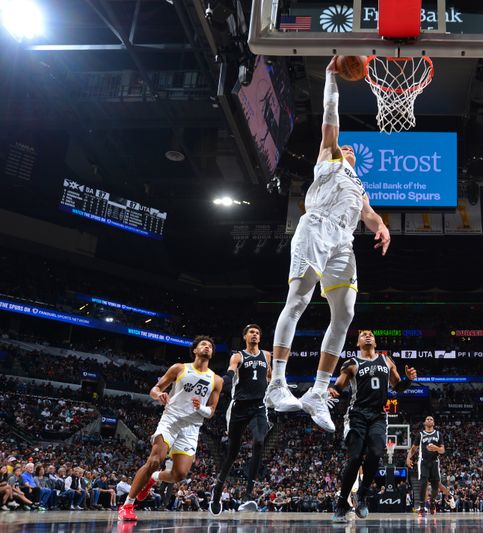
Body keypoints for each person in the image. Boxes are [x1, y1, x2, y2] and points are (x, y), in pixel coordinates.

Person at [265, 56, 392, 433]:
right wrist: (330, 78)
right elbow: (329, 117)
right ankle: (277, 384)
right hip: (316, 228)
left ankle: (319, 392)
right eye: (345, 147)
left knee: (346, 315)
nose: (349, 149)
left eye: (353, 151)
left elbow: (368, 215)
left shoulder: (359, 186)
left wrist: (382, 226)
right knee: (298, 301)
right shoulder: (329, 156)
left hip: (343, 242)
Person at [118, 336, 223, 522]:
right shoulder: (180, 368)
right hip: (171, 420)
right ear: (195, 350)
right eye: (203, 344)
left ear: (212, 353)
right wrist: (159, 395)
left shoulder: (216, 380)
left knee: (179, 474)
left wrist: (201, 408)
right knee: (155, 460)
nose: (207, 347)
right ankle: (128, 504)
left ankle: (153, 478)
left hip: (192, 427)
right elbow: (154, 389)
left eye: (210, 346)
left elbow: (212, 411)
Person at [327, 330, 417, 522]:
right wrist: (333, 391)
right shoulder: (352, 363)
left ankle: (362, 495)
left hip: (378, 415)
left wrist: (409, 380)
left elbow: (397, 386)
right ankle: (342, 501)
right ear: (358, 343)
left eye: (370, 334)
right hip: (356, 415)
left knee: (376, 453)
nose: (368, 336)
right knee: (356, 458)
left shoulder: (387, 361)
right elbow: (339, 385)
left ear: (375, 341)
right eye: (363, 335)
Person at [209, 324, 273, 515]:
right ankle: (217, 491)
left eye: (257, 333)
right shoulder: (238, 356)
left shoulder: (267, 355)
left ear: (260, 338)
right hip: (239, 408)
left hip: (259, 407)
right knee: (232, 453)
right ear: (245, 336)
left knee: (260, 442)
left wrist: (277, 385)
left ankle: (247, 495)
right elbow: (230, 371)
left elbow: (269, 376)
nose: (254, 335)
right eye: (251, 332)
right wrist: (223, 380)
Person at [407, 416, 446, 515]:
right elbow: (413, 448)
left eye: (431, 419)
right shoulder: (420, 434)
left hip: (435, 461)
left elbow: (442, 450)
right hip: (423, 461)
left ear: (433, 423)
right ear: (425, 423)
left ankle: (432, 503)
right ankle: (422, 507)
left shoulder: (438, 434)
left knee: (435, 485)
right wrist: (408, 458)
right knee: (423, 482)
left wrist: (436, 448)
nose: (429, 420)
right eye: (427, 419)